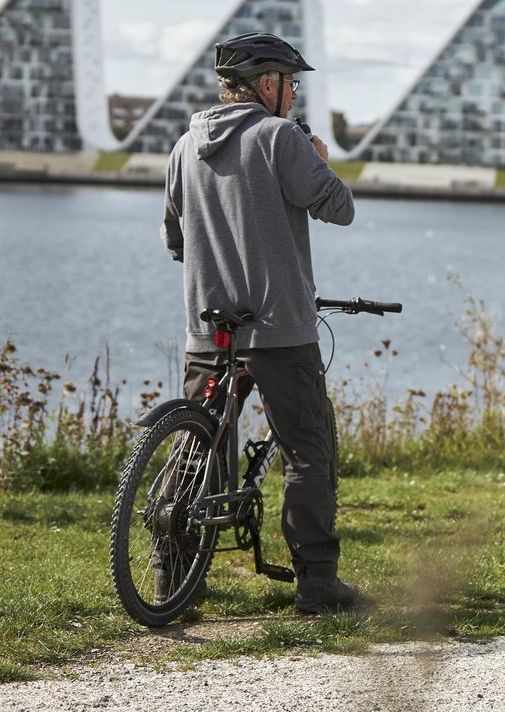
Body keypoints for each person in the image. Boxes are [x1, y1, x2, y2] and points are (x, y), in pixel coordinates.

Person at [160, 31, 359, 613]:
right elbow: (339, 209)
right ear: (266, 84)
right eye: (292, 83)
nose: (294, 95)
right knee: (307, 451)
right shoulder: (280, 139)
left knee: (197, 449)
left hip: (208, 327)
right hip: (278, 328)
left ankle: (173, 575)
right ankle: (317, 584)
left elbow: (175, 239)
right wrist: (319, 163)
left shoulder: (182, 147)